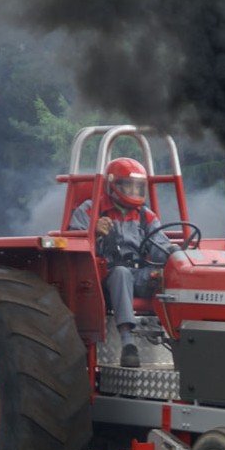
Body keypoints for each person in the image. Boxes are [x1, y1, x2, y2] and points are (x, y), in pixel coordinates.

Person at [69, 157, 172, 368]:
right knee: (121, 273)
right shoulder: (90, 210)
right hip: (104, 278)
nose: (134, 191)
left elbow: (159, 245)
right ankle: (128, 343)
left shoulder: (146, 215)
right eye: (128, 186)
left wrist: (173, 254)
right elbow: (74, 247)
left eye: (138, 187)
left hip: (140, 275)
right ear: (113, 185)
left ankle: (177, 339)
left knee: (171, 275)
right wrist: (94, 232)